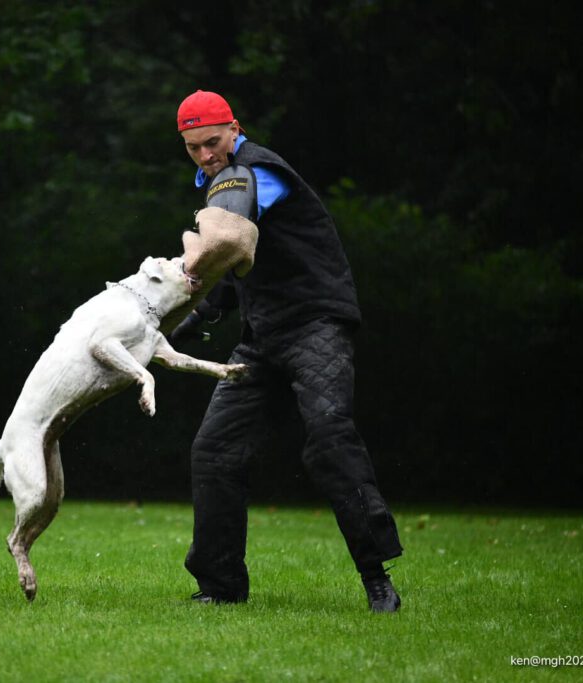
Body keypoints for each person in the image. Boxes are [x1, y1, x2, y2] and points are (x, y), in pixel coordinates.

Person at [169, 90, 403, 612]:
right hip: (263, 337)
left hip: (316, 325)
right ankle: (220, 588)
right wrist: (185, 326)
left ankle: (376, 578)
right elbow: (237, 268)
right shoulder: (218, 177)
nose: (206, 156)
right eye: (193, 148)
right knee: (215, 451)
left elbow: (227, 239)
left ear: (235, 128)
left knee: (328, 436)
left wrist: (181, 283)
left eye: (212, 142)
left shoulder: (256, 171)